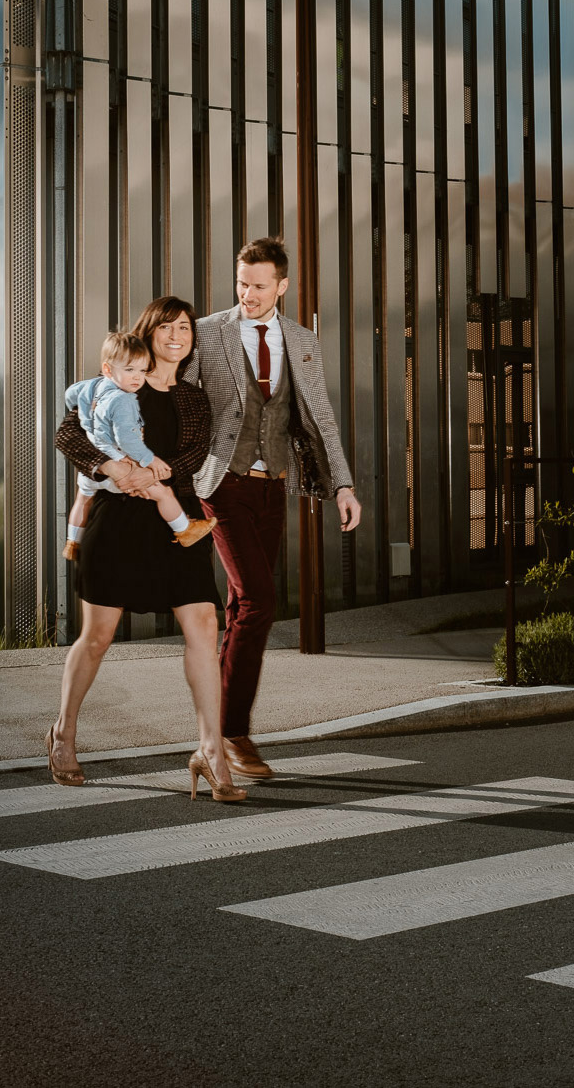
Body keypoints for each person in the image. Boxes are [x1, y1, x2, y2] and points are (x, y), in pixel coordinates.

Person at [52, 297, 245, 803]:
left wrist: (147, 475)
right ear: (149, 333)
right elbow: (67, 434)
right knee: (97, 636)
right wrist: (113, 469)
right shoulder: (110, 383)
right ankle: (64, 733)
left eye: (185, 327)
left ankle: (210, 751)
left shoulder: (193, 399)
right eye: (166, 327)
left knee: (204, 624)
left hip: (175, 520)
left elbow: (193, 454)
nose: (177, 335)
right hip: (117, 521)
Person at [189, 236, 361, 780]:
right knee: (260, 600)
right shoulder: (208, 332)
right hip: (221, 484)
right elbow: (183, 404)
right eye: (242, 283)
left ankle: (213, 735)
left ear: (282, 286)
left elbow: (321, 416)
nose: (249, 294)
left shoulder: (303, 341)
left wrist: (343, 487)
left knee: (245, 608)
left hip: (273, 486)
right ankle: (234, 733)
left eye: (260, 286)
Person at [63, 331, 217, 558]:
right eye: (129, 370)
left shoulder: (92, 387)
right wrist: (150, 461)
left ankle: (72, 542)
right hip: (122, 468)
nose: (137, 378)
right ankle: (184, 529)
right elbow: (127, 439)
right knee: (164, 494)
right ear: (107, 369)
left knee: (83, 499)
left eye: (142, 371)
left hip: (93, 470)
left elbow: (70, 395)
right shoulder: (124, 399)